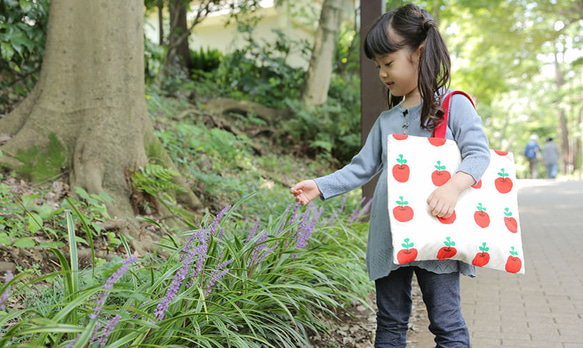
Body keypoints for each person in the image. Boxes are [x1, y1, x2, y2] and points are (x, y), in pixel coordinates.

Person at [290, 4, 490, 347]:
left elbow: (478, 154)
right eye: (378, 65)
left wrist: (453, 187)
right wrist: (320, 186)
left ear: (419, 52)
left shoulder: (453, 105)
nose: (383, 73)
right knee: (390, 322)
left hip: (437, 231)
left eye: (389, 62)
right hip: (390, 235)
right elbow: (361, 167)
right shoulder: (387, 121)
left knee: (446, 322)